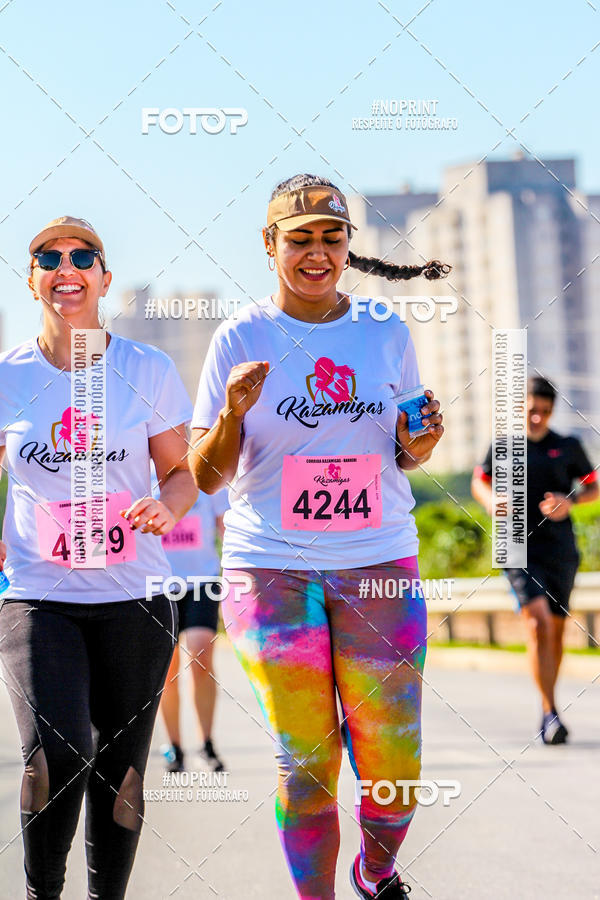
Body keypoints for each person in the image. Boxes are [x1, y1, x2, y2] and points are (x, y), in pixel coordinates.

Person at [189, 175, 450, 899]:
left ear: (348, 248)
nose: (316, 253)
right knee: (306, 761)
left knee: (394, 769)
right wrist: (233, 415)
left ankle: (377, 869)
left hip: (377, 563)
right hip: (268, 569)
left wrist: (421, 439)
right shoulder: (240, 336)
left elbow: (407, 452)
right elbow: (205, 476)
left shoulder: (384, 331)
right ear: (269, 246)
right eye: (298, 239)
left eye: (331, 239)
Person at [0, 216, 197, 899]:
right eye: (47, 257)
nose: (65, 265)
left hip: (135, 597)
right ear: (32, 281)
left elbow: (180, 471)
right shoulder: (8, 377)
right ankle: (40, 892)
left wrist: (169, 505)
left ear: (103, 278)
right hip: (38, 594)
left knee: (123, 770)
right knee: (59, 752)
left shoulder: (147, 369)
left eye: (82, 255)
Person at [471, 375, 598, 744]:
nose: (537, 418)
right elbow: (480, 480)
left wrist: (569, 501)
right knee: (538, 624)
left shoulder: (569, 446)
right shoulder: (504, 446)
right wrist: (490, 500)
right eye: (531, 410)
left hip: (560, 550)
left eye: (544, 412)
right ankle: (548, 711)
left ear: (552, 410)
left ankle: (551, 706)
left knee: (556, 632)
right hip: (516, 547)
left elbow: (593, 486)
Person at [159, 489, 228, 773]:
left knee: (200, 654)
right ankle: (174, 746)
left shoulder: (205, 471)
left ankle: (206, 742)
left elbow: (225, 525)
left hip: (203, 580)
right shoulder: (144, 467)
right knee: (167, 669)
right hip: (158, 581)